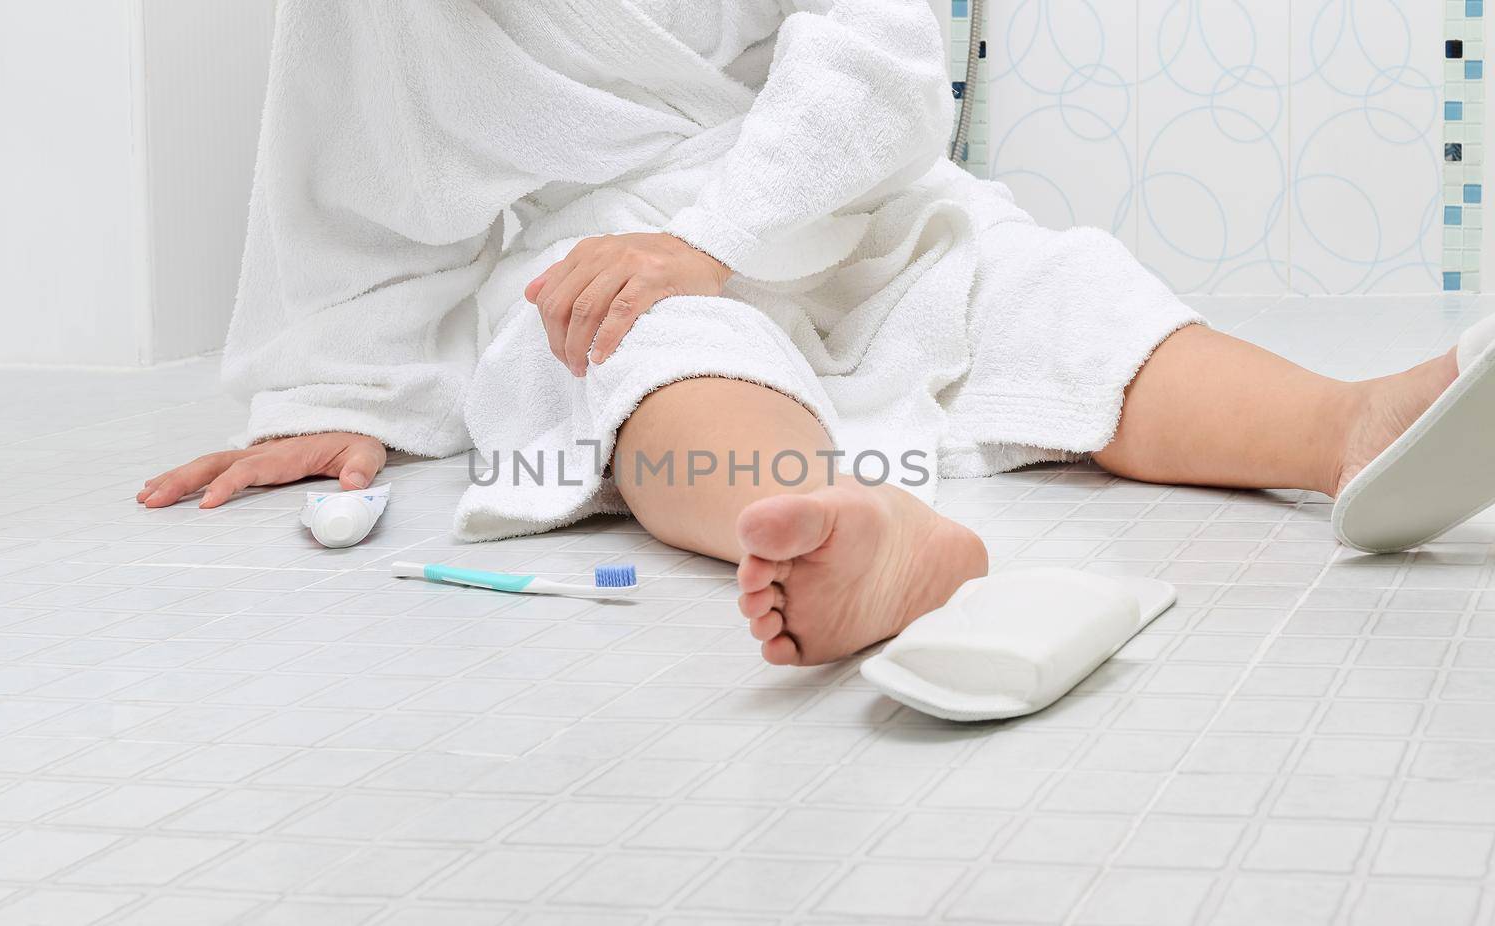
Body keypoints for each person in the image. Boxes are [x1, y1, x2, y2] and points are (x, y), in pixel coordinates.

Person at [138, 0, 1469, 667]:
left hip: (831, 197)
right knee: (653, 366)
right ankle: (842, 523)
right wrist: (340, 378)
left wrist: (726, 229)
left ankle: (1347, 426)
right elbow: (354, 148)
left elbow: (880, 58)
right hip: (602, 243)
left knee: (1040, 284)